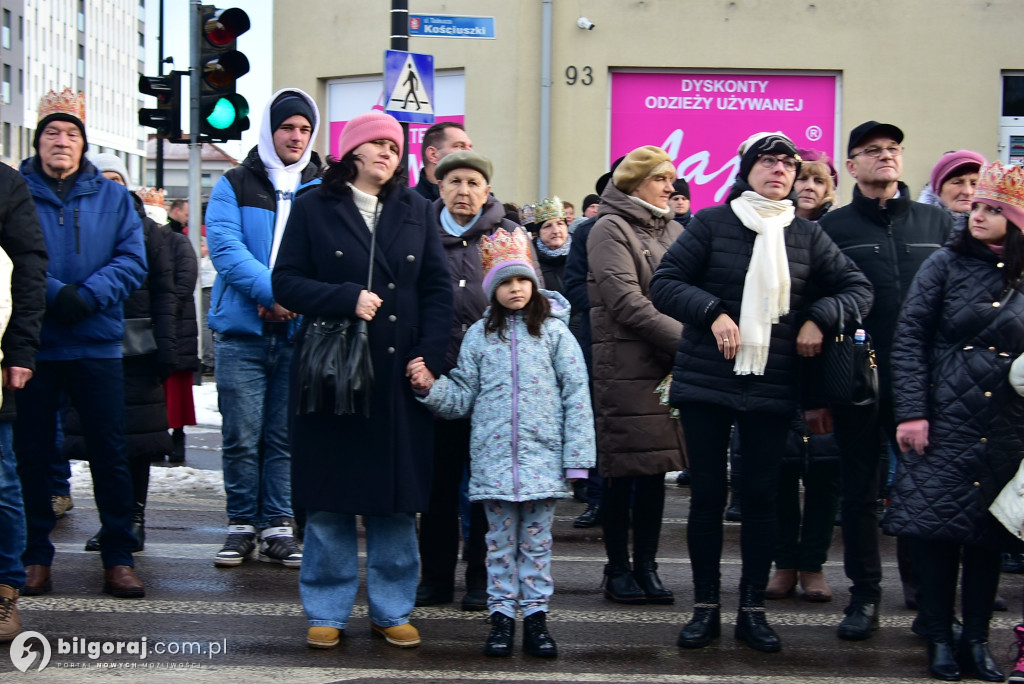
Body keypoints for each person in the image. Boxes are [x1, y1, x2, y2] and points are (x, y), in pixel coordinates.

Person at [650, 132, 872, 652]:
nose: (778, 171)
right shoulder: (711, 222)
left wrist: (821, 317)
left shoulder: (806, 234)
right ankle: (705, 608)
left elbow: (858, 289)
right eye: (767, 162)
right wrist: (712, 312)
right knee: (706, 497)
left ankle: (752, 609)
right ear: (747, 169)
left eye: (787, 164)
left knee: (761, 498)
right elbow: (665, 282)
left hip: (773, 382)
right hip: (708, 379)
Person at [271, 110, 452, 650]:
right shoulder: (313, 206)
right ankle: (326, 610)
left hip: (397, 378)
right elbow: (286, 282)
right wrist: (344, 299)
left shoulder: (419, 210)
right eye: (376, 145)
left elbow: (438, 291)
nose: (386, 154)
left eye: (395, 148)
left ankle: (392, 608)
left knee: (396, 501)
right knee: (329, 498)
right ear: (352, 151)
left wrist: (429, 356)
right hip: (333, 374)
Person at [408, 226, 594, 658]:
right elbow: (462, 396)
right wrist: (429, 388)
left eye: (522, 280)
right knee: (498, 546)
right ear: (492, 289)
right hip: (493, 465)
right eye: (506, 282)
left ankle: (535, 618)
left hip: (541, 463)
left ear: (534, 283)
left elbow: (576, 396)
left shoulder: (554, 335)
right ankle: (500, 618)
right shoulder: (478, 336)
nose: (515, 289)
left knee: (536, 545)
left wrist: (578, 460)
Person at [884, 161, 1024, 682]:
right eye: (977, 206)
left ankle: (977, 642)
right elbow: (910, 339)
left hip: (1004, 426)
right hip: (944, 422)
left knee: (987, 539)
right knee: (938, 535)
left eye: (993, 209)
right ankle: (940, 638)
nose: (977, 214)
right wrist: (913, 413)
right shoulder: (944, 264)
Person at [818, 121, 952, 640]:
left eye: (893, 149)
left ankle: (926, 599)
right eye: (872, 151)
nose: (885, 157)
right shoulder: (833, 229)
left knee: (926, 494)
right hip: (858, 381)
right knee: (859, 494)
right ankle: (865, 596)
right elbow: (816, 304)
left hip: (926, 384)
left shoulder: (936, 224)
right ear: (851, 166)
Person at [15, 88, 148, 598]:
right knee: (31, 453)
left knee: (109, 453)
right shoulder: (16, 191)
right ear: (38, 141)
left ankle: (118, 556)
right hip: (35, 343)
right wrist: (52, 294)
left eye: (71, 134)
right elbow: (8, 253)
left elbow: (132, 260)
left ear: (84, 144)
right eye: (52, 132)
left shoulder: (113, 197)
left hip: (96, 342)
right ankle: (34, 557)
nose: (61, 141)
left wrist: (89, 295)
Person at [205, 88, 322, 569]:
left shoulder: (322, 186)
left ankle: (277, 523)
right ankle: (239, 525)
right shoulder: (233, 183)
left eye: (304, 129)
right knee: (241, 434)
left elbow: (331, 252)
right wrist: (273, 294)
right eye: (287, 127)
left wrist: (293, 301)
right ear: (270, 131)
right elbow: (226, 249)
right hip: (241, 333)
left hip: (298, 335)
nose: (295, 137)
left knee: (282, 436)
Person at [417, 150, 521, 612]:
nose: (464, 190)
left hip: (491, 384)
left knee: (485, 490)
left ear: (487, 190)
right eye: (454, 181)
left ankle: (482, 576)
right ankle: (435, 578)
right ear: (439, 187)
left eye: (473, 182)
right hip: (436, 380)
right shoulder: (420, 231)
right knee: (437, 486)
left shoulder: (508, 235)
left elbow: (525, 299)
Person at [588, 146, 686, 606]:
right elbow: (625, 301)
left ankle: (646, 566)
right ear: (635, 183)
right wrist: (689, 340)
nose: (672, 186)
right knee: (623, 472)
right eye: (662, 178)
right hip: (625, 367)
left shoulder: (675, 229)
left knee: (655, 470)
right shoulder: (610, 227)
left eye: (672, 178)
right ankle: (618, 569)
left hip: (665, 367)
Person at [64, 165, 176, 555]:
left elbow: (166, 290)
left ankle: (135, 520)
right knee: (102, 442)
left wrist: (168, 347)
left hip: (139, 350)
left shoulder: (147, 230)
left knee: (137, 443)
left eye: (117, 181)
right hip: (95, 342)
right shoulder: (81, 220)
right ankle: (111, 522)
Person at [763, 150, 842, 602]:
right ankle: (784, 563)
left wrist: (821, 316)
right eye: (802, 178)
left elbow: (852, 290)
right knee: (779, 470)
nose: (808, 186)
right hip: (777, 364)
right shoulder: (771, 228)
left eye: (818, 180)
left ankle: (813, 564)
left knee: (825, 471)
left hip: (825, 367)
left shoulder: (837, 232)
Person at [0, 162, 48, 642]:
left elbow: (29, 267)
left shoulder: (5, 184)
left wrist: (20, 350)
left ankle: (4, 592)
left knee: (0, 482)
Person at [162, 197, 200, 464]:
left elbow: (185, 283)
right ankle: (172, 440)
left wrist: (164, 312)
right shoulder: (173, 239)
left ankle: (176, 441)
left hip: (175, 327)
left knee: (174, 391)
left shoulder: (176, 241)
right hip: (174, 327)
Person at [917, 149, 986, 238]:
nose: (968, 192)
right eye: (958, 182)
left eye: (974, 183)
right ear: (939, 189)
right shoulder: (919, 228)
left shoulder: (999, 233)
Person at [414, 121, 473, 201]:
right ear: (433, 155)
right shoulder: (407, 203)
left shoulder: (483, 203)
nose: (470, 152)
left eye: (470, 146)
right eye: (460, 146)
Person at [793, 151, 839, 221]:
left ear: (827, 190)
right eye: (803, 178)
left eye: (819, 181)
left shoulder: (836, 225)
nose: (810, 187)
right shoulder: (772, 222)